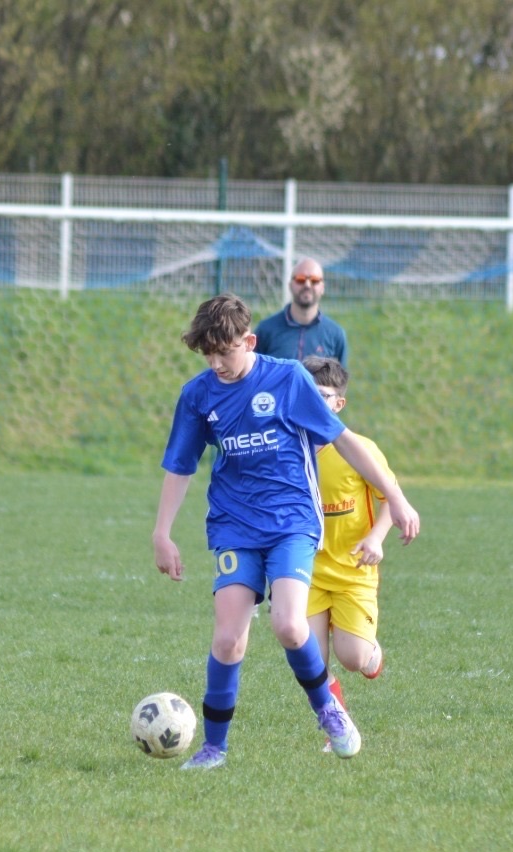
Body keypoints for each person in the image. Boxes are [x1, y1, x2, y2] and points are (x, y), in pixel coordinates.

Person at [153, 294, 419, 769]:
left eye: (224, 352)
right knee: (228, 640)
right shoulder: (198, 395)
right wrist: (162, 532)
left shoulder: (288, 379)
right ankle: (214, 748)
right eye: (208, 355)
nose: (216, 364)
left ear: (249, 341)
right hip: (234, 525)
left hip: (292, 521)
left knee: (290, 626)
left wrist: (394, 497)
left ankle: (329, 711)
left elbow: (343, 440)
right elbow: (181, 465)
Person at [301, 356, 396, 750]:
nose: (313, 401)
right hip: (305, 570)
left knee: (353, 658)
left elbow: (392, 498)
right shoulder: (289, 447)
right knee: (310, 660)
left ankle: (370, 653)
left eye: (322, 396)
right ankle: (337, 726)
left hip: (354, 570)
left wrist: (376, 538)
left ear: (339, 404)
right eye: (306, 393)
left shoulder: (359, 450)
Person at [250, 257, 348, 367]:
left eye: (314, 280)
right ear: (290, 285)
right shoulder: (266, 330)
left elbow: (339, 377)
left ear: (322, 287)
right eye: (300, 279)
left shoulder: (335, 334)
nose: (307, 285)